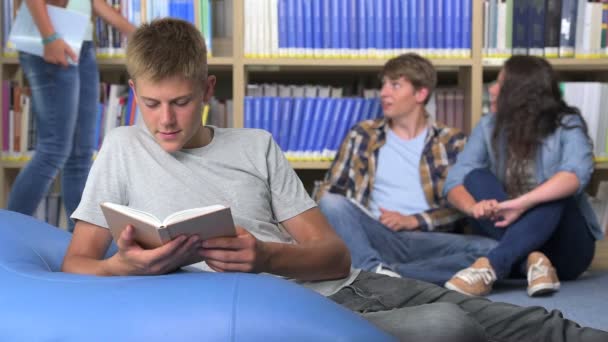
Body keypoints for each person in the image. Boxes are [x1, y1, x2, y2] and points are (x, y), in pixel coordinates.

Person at [62, 19, 607, 341]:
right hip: (285, 314)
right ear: (134, 94)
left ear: (207, 90)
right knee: (448, 324)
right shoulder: (121, 149)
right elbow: (76, 263)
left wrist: (267, 257)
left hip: (352, 284)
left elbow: (334, 255)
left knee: (527, 323)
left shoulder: (256, 146)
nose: (166, 120)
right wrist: (120, 265)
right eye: (151, 104)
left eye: (181, 102)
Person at [316, 53, 497, 284]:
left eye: (395, 85)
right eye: (383, 84)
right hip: (376, 233)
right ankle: (376, 272)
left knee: (493, 251)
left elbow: (461, 206)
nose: (384, 93)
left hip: (427, 238)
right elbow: (330, 192)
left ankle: (387, 274)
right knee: (332, 203)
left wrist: (415, 220)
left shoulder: (452, 141)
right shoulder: (362, 135)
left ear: (420, 93)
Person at [443, 55, 602, 298]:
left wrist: (522, 203)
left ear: (521, 93)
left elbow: (576, 174)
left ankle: (491, 266)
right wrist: (475, 207)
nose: (492, 90)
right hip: (510, 232)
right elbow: (454, 181)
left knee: (556, 192)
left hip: (567, 250)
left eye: (500, 84)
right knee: (475, 177)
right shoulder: (488, 126)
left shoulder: (567, 124)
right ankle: (532, 263)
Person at [7, 0, 135, 231]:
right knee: (54, 150)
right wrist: (49, 37)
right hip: (51, 39)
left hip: (80, 41)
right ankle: (6, 237)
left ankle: (79, 241)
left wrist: (139, 35)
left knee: (80, 155)